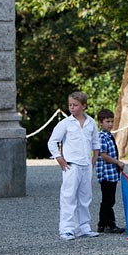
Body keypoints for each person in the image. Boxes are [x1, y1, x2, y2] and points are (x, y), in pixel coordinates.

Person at [47, 91, 101, 241]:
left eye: (75, 105)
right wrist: (59, 158)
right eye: (70, 105)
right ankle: (66, 228)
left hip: (86, 163)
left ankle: (83, 227)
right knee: (68, 196)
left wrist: (94, 158)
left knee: (85, 196)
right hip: (71, 164)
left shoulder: (91, 123)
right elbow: (53, 141)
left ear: (84, 106)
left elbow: (96, 142)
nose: (72, 108)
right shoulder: (65, 123)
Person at [95, 108, 125, 234]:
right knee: (108, 200)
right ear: (101, 122)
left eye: (112, 121)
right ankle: (109, 224)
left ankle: (102, 224)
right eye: (107, 121)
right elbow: (103, 155)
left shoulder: (109, 136)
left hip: (112, 174)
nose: (110, 124)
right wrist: (117, 162)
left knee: (108, 199)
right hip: (106, 174)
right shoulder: (101, 137)